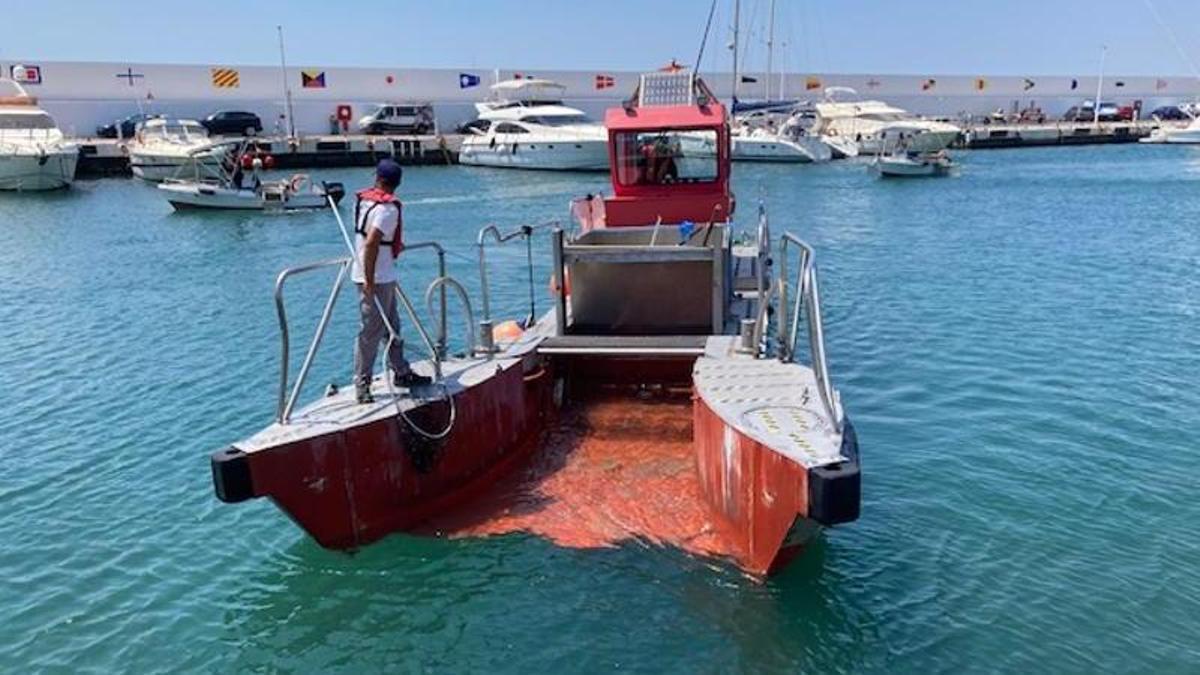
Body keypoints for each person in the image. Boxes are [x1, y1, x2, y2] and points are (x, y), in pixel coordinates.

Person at [352, 159, 431, 403]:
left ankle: (401, 371)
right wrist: (369, 281)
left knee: (392, 327)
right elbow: (373, 241)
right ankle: (362, 383)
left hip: (380, 276)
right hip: (376, 278)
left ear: (377, 178)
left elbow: (376, 239)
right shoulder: (388, 209)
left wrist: (395, 246)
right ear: (397, 183)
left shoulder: (367, 202)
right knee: (371, 332)